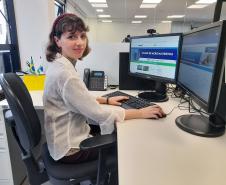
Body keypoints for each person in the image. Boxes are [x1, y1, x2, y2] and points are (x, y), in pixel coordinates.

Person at [44, 13, 165, 164]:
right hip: (71, 150)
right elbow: (99, 114)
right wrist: (140, 112)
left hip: (60, 142)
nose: (80, 42)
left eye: (82, 36)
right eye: (72, 37)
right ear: (57, 41)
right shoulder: (65, 74)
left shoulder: (59, 65)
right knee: (128, 145)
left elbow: (76, 99)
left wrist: (106, 99)